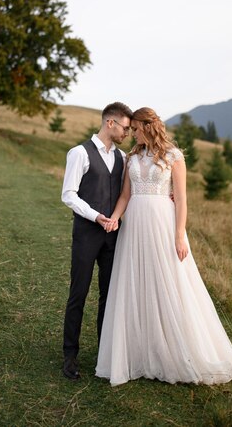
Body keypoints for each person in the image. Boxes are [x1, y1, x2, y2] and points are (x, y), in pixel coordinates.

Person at [96, 107, 232, 386]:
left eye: (136, 129)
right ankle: (139, 351)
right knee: (137, 282)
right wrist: (114, 219)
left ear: (148, 127)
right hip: (135, 226)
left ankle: (176, 349)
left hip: (163, 224)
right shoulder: (132, 157)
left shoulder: (174, 157)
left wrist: (179, 235)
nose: (132, 134)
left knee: (169, 280)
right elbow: (126, 194)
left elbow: (183, 200)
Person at [61, 102, 133, 380]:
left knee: (109, 296)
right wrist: (96, 217)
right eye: (125, 127)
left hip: (113, 238)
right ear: (110, 123)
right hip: (86, 235)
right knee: (78, 294)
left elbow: (129, 193)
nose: (128, 132)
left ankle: (104, 354)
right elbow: (68, 194)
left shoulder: (123, 157)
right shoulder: (79, 153)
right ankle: (70, 356)